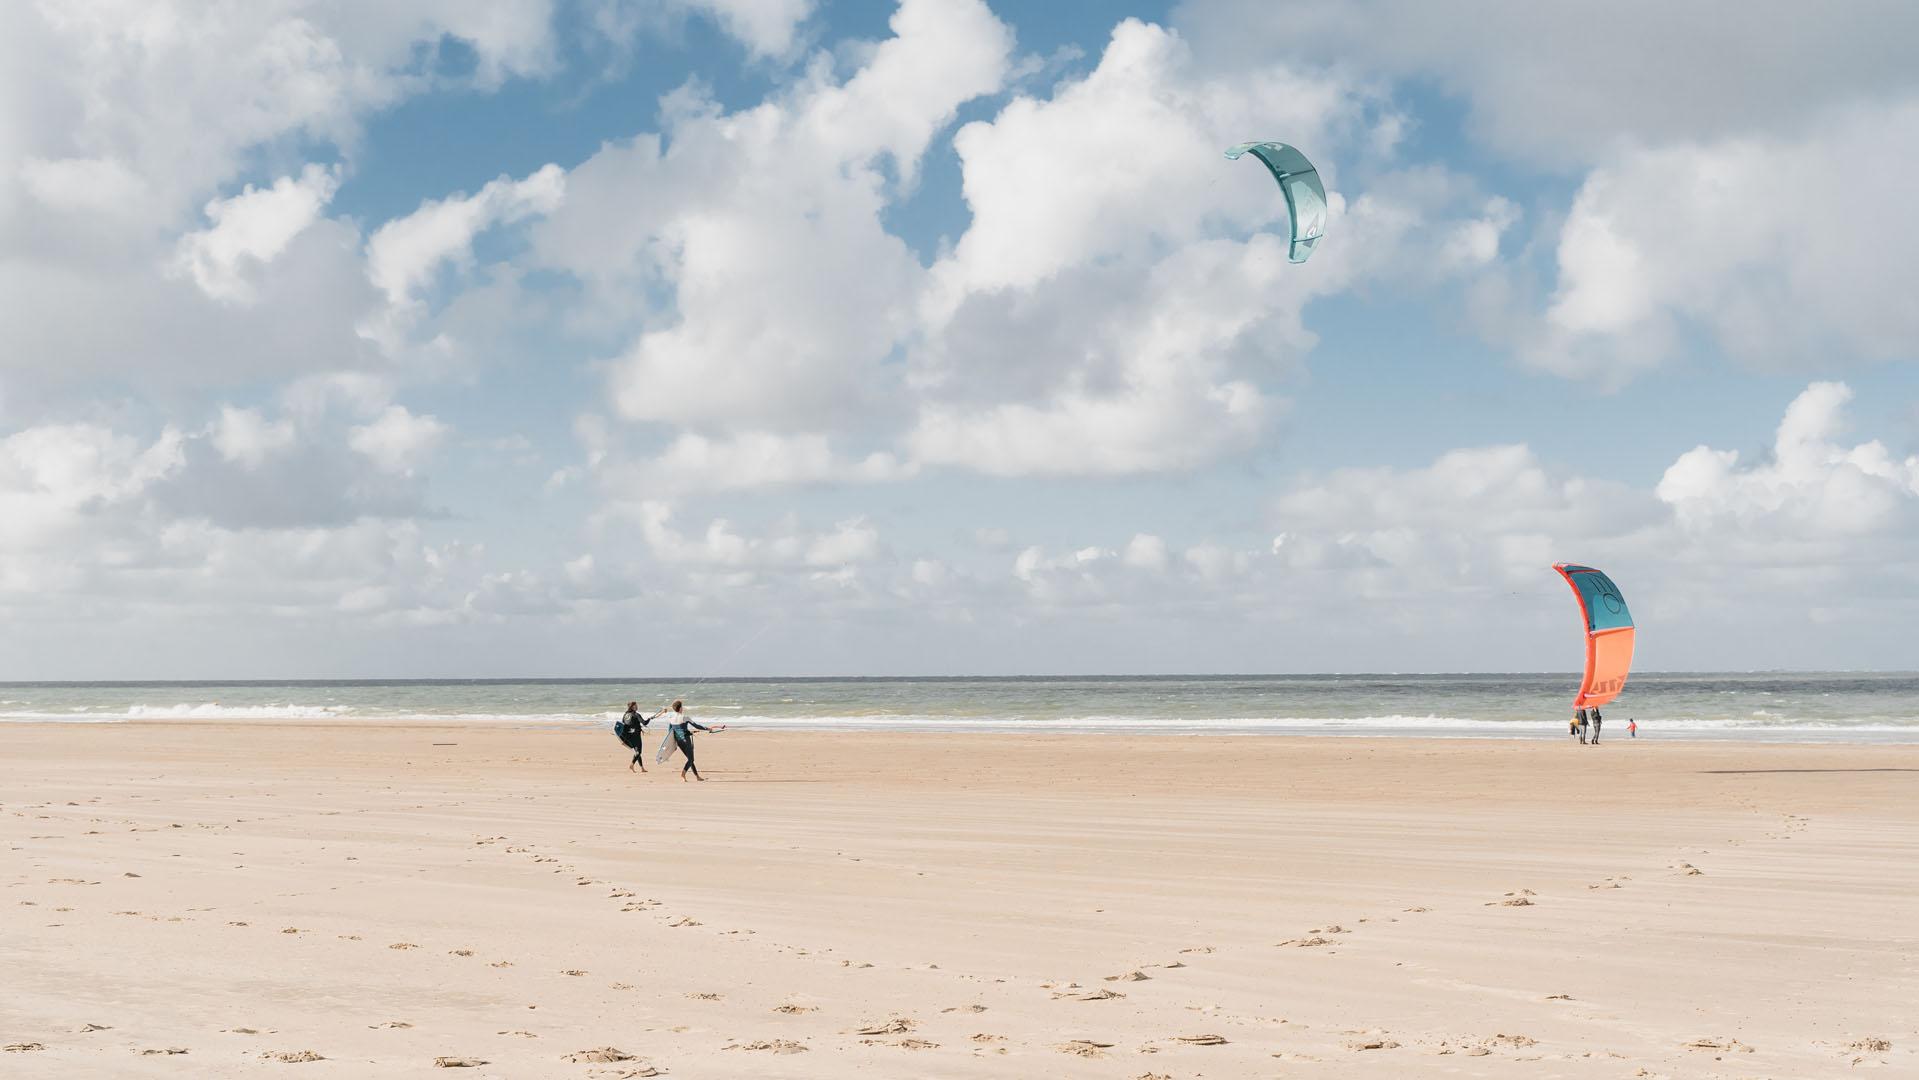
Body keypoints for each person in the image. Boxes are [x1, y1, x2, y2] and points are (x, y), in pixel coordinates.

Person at [664, 699, 725, 782]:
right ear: (680, 708)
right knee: (691, 759)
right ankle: (683, 773)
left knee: (690, 759)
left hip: (679, 741)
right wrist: (707, 728)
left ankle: (697, 776)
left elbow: (671, 731)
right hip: (686, 740)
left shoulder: (671, 718)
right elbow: (697, 726)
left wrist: (673, 743)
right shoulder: (685, 717)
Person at [614, 701, 659, 773]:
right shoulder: (636, 714)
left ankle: (642, 768)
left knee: (636, 752)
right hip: (636, 736)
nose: (637, 706)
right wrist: (650, 718)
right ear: (632, 707)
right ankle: (631, 765)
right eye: (635, 705)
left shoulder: (625, 714)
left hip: (628, 736)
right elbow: (644, 723)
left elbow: (624, 724)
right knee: (638, 752)